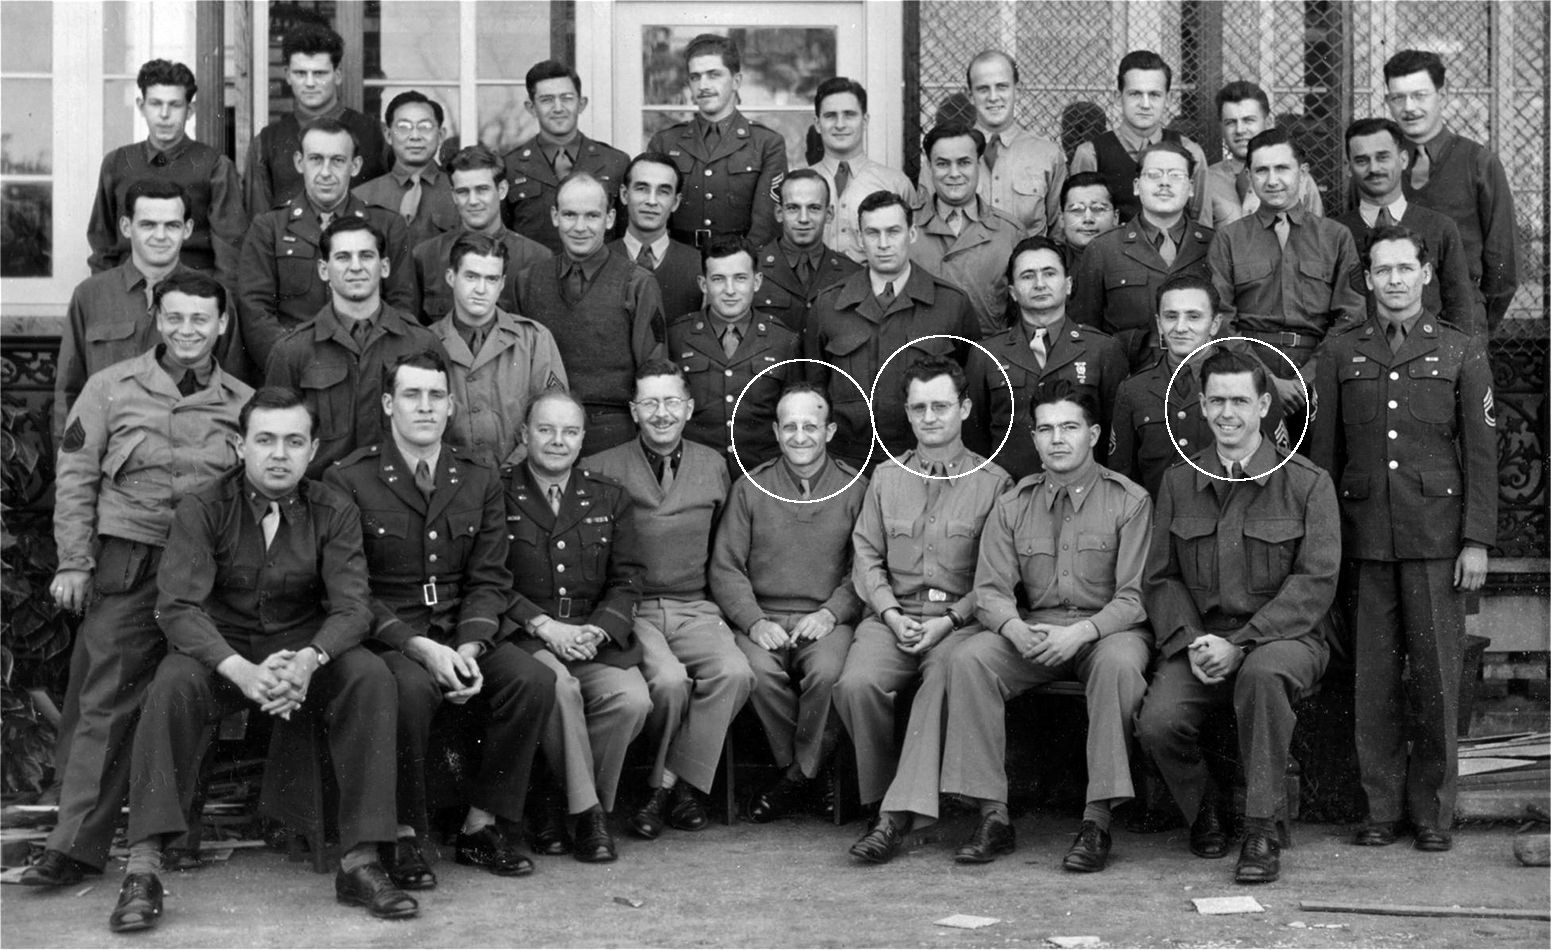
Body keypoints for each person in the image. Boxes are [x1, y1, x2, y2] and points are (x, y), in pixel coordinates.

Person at [116, 387, 411, 932]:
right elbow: (178, 608)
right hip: (222, 655)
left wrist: (309, 660)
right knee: (171, 685)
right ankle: (144, 867)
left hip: (302, 653)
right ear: (239, 446)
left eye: (294, 442)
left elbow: (353, 607)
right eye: (266, 440)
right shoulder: (203, 508)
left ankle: (362, 860)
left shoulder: (333, 509)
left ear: (311, 449)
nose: (280, 454)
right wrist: (241, 671)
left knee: (370, 676)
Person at [18, 272, 251, 892]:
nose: (187, 331)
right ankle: (72, 846)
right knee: (102, 702)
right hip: (131, 564)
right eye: (174, 318)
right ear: (156, 317)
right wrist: (74, 561)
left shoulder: (242, 402)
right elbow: (75, 479)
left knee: (190, 696)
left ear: (222, 324)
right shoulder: (109, 389)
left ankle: (174, 839)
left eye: (201, 319)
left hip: (209, 576)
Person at [325, 351, 556, 884]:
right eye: (412, 395)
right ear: (388, 404)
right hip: (390, 636)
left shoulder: (477, 477)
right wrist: (420, 648)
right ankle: (403, 833)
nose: (424, 408)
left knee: (532, 680)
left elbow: (490, 577)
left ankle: (481, 826)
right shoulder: (350, 479)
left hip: (462, 631)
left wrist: (471, 646)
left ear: (450, 406)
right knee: (407, 690)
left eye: (435, 397)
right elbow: (351, 590)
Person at [1309, 226, 1496, 853]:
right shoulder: (1341, 353)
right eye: (1380, 270)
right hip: (1364, 543)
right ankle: (1381, 808)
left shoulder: (1461, 350)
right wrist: (1328, 548)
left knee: (1438, 683)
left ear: (1424, 275)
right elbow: (1326, 459)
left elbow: (1481, 454)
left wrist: (1477, 541)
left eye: (1404, 269)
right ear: (1366, 279)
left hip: (1437, 543)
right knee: (1374, 684)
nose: (1392, 280)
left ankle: (1434, 814)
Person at [1136, 349, 1340, 886]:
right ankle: (1205, 808)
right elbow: (1160, 577)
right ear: (1202, 406)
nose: (1228, 412)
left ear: (1264, 405)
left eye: (1241, 401)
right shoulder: (1179, 482)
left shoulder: (1306, 482)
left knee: (1262, 676)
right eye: (1218, 400)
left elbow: (1314, 583)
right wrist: (1193, 642)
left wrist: (1243, 643)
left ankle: (1261, 827)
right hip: (1203, 640)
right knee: (1158, 722)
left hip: (1284, 639)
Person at [936, 388, 1152, 870]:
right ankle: (993, 816)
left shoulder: (1130, 501)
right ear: (1033, 439)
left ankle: (1097, 822)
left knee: (1119, 667)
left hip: (1107, 633)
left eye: (1070, 427)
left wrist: (1084, 633)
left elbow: (1135, 597)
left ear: (1093, 435)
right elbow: (990, 590)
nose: (1058, 439)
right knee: (968, 659)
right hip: (1034, 631)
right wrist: (1012, 629)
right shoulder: (1014, 504)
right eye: (1047, 429)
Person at [838, 357, 1012, 863]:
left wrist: (949, 622)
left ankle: (892, 820)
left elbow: (996, 577)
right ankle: (881, 798)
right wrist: (891, 614)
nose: (930, 417)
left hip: (960, 622)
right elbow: (866, 557)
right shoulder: (886, 478)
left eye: (941, 406)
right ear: (908, 415)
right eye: (919, 408)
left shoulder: (995, 483)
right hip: (892, 616)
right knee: (856, 685)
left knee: (938, 680)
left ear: (964, 408)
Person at [583, 361, 755, 841]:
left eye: (672, 402)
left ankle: (668, 785)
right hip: (633, 608)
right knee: (670, 680)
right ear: (634, 411)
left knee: (736, 672)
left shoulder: (714, 463)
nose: (662, 414)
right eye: (651, 403)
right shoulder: (601, 466)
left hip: (695, 607)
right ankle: (667, 791)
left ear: (690, 407)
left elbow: (725, 552)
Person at [504, 390, 651, 864]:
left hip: (590, 636)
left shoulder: (609, 496)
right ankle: (589, 816)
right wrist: (545, 627)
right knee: (559, 689)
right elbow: (485, 579)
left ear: (583, 438)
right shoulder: (496, 493)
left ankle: (552, 797)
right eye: (545, 430)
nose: (557, 441)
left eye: (569, 432)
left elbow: (629, 577)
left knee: (633, 700)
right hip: (527, 634)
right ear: (524, 435)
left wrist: (600, 630)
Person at [710, 383, 868, 820]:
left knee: (830, 672)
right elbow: (725, 567)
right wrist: (754, 620)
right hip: (765, 616)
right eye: (791, 427)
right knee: (754, 672)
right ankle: (804, 770)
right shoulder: (750, 487)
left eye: (811, 426)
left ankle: (796, 779)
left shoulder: (856, 488)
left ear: (830, 431)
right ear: (777, 432)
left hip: (826, 619)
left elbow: (866, 566)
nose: (801, 436)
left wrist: (832, 612)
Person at [57, 179, 250, 440]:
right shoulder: (90, 295)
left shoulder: (214, 296)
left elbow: (234, 389)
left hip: (192, 453)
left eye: (172, 225)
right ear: (127, 227)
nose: (160, 236)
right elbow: (68, 391)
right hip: (107, 453)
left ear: (188, 229)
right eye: (148, 225)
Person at [803, 191, 980, 470]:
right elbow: (813, 390)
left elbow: (971, 392)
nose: (883, 244)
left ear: (911, 234)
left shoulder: (951, 304)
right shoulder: (829, 305)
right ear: (860, 239)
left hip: (926, 461)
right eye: (872, 233)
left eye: (893, 231)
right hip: (847, 462)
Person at [264, 217, 445, 475]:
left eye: (366, 256)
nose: (356, 267)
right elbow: (277, 439)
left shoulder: (422, 343)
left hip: (402, 498)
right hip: (322, 500)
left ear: (384, 267)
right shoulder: (292, 351)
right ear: (323, 270)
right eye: (343, 257)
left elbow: (443, 430)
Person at [1208, 127, 1364, 416]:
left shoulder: (1335, 237)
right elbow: (1222, 319)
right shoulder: (1230, 239)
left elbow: (1351, 317)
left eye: (1282, 168)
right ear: (1249, 176)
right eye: (1261, 170)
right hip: (1249, 372)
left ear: (1302, 173)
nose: (1272, 180)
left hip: (1320, 371)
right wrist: (1266, 380)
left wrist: (1307, 378)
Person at [237, 118, 416, 365]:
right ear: (300, 163)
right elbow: (255, 311)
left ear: (355, 166)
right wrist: (290, 362)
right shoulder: (269, 228)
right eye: (316, 159)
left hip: (370, 367)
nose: (325, 172)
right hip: (295, 368)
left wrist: (375, 365)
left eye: (337, 161)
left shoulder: (387, 226)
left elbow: (402, 306)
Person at [517, 173, 666, 456]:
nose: (580, 227)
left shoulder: (637, 283)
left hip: (613, 433)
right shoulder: (528, 281)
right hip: (546, 431)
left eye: (592, 216)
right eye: (570, 215)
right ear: (554, 216)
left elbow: (653, 374)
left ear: (609, 219)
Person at [1109, 274, 1288, 498]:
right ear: (1159, 323)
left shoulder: (1253, 382)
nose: (1180, 327)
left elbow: (1277, 470)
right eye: (1171, 316)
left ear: (1214, 325)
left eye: (1194, 317)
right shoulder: (1134, 390)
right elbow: (1122, 481)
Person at [964, 236, 1127, 480]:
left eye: (1049, 273)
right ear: (1013, 292)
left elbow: (1114, 436)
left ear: (1069, 284)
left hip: (1084, 493)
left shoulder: (1103, 349)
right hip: (1009, 496)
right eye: (1028, 276)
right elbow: (974, 438)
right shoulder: (986, 354)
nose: (1040, 284)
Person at [1383, 49, 1518, 331]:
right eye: (1398, 97)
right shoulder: (1376, 167)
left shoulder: (1479, 163)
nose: (1409, 107)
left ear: (1441, 97)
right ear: (1388, 101)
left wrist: (1476, 319)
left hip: (1461, 323)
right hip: (1391, 326)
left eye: (1420, 95)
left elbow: (1502, 263)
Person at [86, 59, 245, 284]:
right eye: (155, 103)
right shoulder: (117, 163)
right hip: (130, 288)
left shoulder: (215, 166)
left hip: (193, 292)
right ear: (141, 106)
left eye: (175, 105)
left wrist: (218, 306)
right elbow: (102, 245)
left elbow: (231, 254)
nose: (164, 114)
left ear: (190, 110)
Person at [1071, 141, 1215, 371]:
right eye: (1154, 175)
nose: (1165, 183)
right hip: (1128, 376)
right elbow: (1086, 330)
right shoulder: (1104, 249)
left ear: (1190, 188)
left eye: (1176, 175)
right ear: (1137, 186)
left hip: (1200, 377)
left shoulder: (1214, 245)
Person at [1333, 118, 1484, 336]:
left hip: (1426, 356)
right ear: (1348, 167)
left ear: (1403, 159)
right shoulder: (1336, 232)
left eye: (1383, 157)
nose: (1374, 168)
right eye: (1362, 160)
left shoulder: (1440, 228)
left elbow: (1460, 310)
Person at [427, 232, 565, 467]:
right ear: (451, 277)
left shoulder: (533, 340)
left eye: (491, 279)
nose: (481, 289)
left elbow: (554, 418)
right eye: (471, 276)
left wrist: (512, 470)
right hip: (448, 481)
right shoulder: (426, 342)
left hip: (522, 477)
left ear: (501, 283)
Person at [668, 236, 800, 471]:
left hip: (762, 475)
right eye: (718, 279)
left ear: (757, 281)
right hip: (695, 474)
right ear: (703, 284)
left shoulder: (783, 340)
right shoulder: (678, 337)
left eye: (740, 278)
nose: (730, 290)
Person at [647, 34, 788, 248]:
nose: (703, 85)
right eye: (695, 77)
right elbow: (653, 215)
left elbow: (766, 224)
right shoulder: (665, 143)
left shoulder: (767, 144)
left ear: (736, 81)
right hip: (679, 262)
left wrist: (739, 265)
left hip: (741, 265)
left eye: (713, 75)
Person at [245, 22, 388, 213]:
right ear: (288, 75)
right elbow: (258, 223)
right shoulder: (265, 143)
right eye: (300, 73)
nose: (310, 83)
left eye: (319, 73)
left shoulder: (377, 134)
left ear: (337, 75)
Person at [412, 145, 550, 322]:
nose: (473, 201)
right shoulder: (426, 257)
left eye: (482, 189)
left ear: (502, 190)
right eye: (463, 192)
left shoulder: (535, 259)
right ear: (453, 196)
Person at [503, 60, 629, 253]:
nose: (558, 108)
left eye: (567, 98)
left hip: (598, 278)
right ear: (531, 108)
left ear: (581, 104)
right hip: (533, 279)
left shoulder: (614, 162)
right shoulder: (511, 166)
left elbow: (623, 237)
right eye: (546, 100)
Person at [1069, 50, 1208, 224]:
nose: (1145, 104)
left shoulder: (1189, 152)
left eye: (1154, 95)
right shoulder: (1091, 154)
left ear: (1169, 98)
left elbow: (1201, 223)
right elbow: (1081, 224)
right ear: (1118, 97)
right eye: (1135, 94)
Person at [911, 123, 1024, 335]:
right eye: (943, 164)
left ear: (978, 165)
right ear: (929, 167)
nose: (954, 174)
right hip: (922, 357)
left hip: (986, 357)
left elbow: (1021, 313)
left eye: (964, 163)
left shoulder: (1009, 232)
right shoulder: (906, 227)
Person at [807, 77, 917, 262]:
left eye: (849, 115)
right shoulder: (799, 184)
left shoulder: (896, 183)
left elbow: (912, 253)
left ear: (865, 120)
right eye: (830, 115)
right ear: (817, 123)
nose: (840, 124)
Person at [959, 50, 1066, 237]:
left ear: (1018, 90)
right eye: (983, 89)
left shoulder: (1047, 155)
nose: (993, 97)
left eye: (1002, 86)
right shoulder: (946, 155)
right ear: (970, 95)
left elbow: (1059, 230)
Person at [1200, 81, 1324, 229]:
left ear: (1268, 122)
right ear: (1222, 128)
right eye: (1231, 122)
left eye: (1248, 120)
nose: (1239, 130)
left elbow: (1317, 238)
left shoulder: (1300, 179)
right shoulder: (1208, 180)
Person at [753, 170, 860, 333]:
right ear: (779, 213)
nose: (803, 218)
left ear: (829, 214)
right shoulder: (751, 269)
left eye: (814, 208)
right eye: (793, 208)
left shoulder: (852, 274)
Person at [353, 91, 459, 251]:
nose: (415, 136)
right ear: (388, 135)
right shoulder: (361, 197)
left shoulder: (460, 193)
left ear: (441, 135)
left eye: (425, 127)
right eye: (404, 127)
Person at [612, 152, 704, 321]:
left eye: (663, 191)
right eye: (642, 189)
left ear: (675, 202)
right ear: (625, 195)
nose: (652, 201)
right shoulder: (600, 259)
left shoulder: (698, 264)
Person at [1057, 172, 1120, 270]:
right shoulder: (1049, 263)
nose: (1088, 219)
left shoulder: (1134, 262)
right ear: (1061, 219)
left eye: (1098, 209)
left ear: (1116, 217)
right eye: (1077, 210)